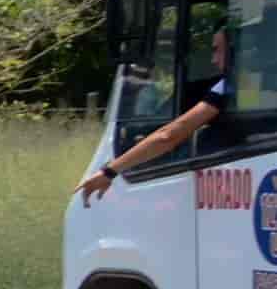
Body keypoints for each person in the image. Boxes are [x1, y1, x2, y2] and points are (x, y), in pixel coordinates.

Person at [78, 21, 241, 202]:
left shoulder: (228, 86)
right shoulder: (248, 83)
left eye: (218, 50)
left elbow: (168, 137)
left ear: (235, 50)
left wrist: (110, 171)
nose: (214, 59)